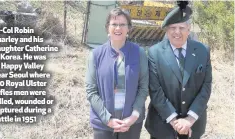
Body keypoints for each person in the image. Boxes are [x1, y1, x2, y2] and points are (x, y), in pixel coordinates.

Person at [145, 2, 212, 139]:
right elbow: (155, 90)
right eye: (173, 28)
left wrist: (189, 120)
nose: (177, 32)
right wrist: (174, 121)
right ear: (166, 30)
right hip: (162, 126)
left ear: (189, 29)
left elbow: (206, 87)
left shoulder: (202, 51)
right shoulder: (154, 53)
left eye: (181, 27)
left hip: (193, 125)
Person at [85, 7, 148, 139]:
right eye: (114, 24)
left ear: (128, 28)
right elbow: (91, 91)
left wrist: (134, 116)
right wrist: (107, 119)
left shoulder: (139, 53)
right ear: (108, 27)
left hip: (131, 124)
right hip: (103, 124)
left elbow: (143, 87)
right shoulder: (96, 55)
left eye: (122, 24)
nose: (118, 28)